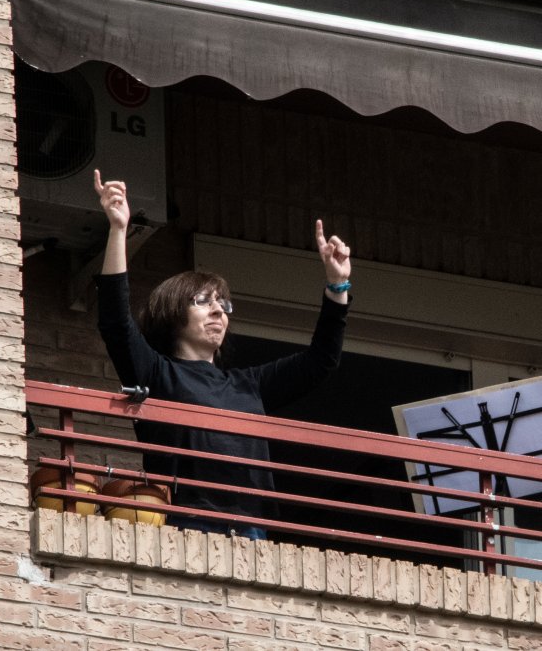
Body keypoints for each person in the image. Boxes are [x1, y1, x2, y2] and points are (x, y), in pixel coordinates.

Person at [92, 170, 352, 540]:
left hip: (252, 528)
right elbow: (116, 323)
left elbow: (320, 361)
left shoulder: (249, 384)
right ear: (172, 314)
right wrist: (118, 230)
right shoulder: (158, 373)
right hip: (188, 524)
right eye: (203, 301)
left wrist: (338, 286)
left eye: (223, 304)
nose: (218, 310)